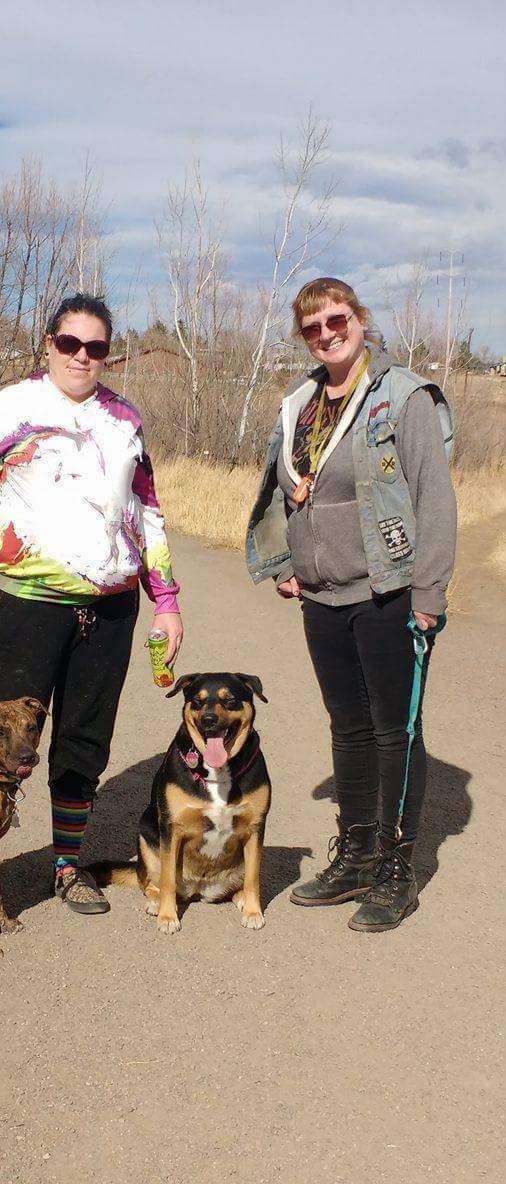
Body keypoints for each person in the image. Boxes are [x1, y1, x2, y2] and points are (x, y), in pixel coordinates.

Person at [0, 293, 183, 915]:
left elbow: (146, 512)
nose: (82, 356)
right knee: (4, 737)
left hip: (109, 611)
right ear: (49, 345)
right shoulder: (14, 407)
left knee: (84, 740)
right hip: (28, 604)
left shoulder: (125, 420)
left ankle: (66, 866)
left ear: (108, 354)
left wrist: (166, 601)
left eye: (96, 347)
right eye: (70, 344)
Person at [246, 277, 456, 932]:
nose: (327, 333)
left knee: (396, 728)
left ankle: (396, 869)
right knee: (348, 725)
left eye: (337, 319)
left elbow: (435, 498)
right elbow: (283, 489)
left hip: (389, 590)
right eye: (312, 328)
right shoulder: (299, 404)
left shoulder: (404, 396)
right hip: (323, 596)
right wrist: (284, 562)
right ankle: (357, 855)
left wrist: (429, 591)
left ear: (359, 318)